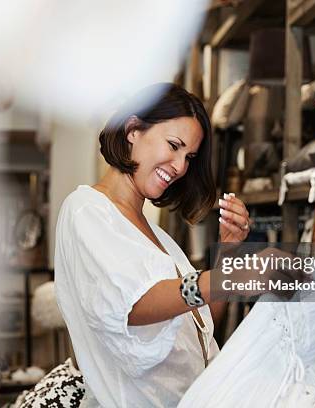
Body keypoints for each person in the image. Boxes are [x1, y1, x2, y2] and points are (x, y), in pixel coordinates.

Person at [54, 83, 251, 407]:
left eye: (188, 156)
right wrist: (220, 279)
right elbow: (130, 307)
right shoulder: (87, 210)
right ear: (133, 130)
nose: (180, 166)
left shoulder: (159, 239)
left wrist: (228, 252)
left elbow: (203, 324)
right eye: (173, 145)